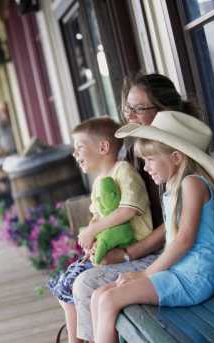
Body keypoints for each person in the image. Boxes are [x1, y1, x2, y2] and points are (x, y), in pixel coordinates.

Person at [71, 73, 199, 342]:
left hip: (175, 262)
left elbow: (178, 225)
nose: (129, 115)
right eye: (127, 108)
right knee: (81, 283)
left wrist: (128, 255)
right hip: (161, 256)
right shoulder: (136, 151)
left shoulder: (183, 158)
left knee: (87, 286)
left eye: (138, 108)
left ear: (164, 111)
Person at [91, 111, 214, 343]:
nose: (145, 168)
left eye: (150, 160)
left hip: (192, 278)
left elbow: (184, 240)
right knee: (98, 294)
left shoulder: (192, 183)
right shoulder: (174, 187)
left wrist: (145, 273)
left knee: (109, 300)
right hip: (177, 273)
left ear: (176, 157)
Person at [48, 117, 153, 343]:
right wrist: (92, 238)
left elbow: (127, 211)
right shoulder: (98, 182)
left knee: (77, 284)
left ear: (103, 147)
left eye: (79, 148)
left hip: (135, 250)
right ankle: (77, 339)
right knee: (64, 286)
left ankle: (83, 339)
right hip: (112, 249)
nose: (75, 155)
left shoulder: (123, 171)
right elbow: (98, 215)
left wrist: (92, 230)